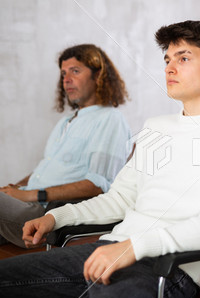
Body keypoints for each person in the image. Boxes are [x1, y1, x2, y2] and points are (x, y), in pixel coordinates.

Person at [0, 20, 200, 298]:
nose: (169, 68)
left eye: (183, 58)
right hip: (108, 250)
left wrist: (134, 247)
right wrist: (55, 217)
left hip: (167, 269)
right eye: (167, 59)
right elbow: (120, 199)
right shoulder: (155, 128)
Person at [0, 44, 132, 248]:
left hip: (45, 213)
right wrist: (15, 188)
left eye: (75, 71)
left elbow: (97, 185)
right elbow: (45, 167)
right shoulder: (66, 122)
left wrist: (31, 194)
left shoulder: (110, 119)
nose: (66, 79)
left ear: (98, 76)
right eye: (63, 73)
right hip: (28, 200)